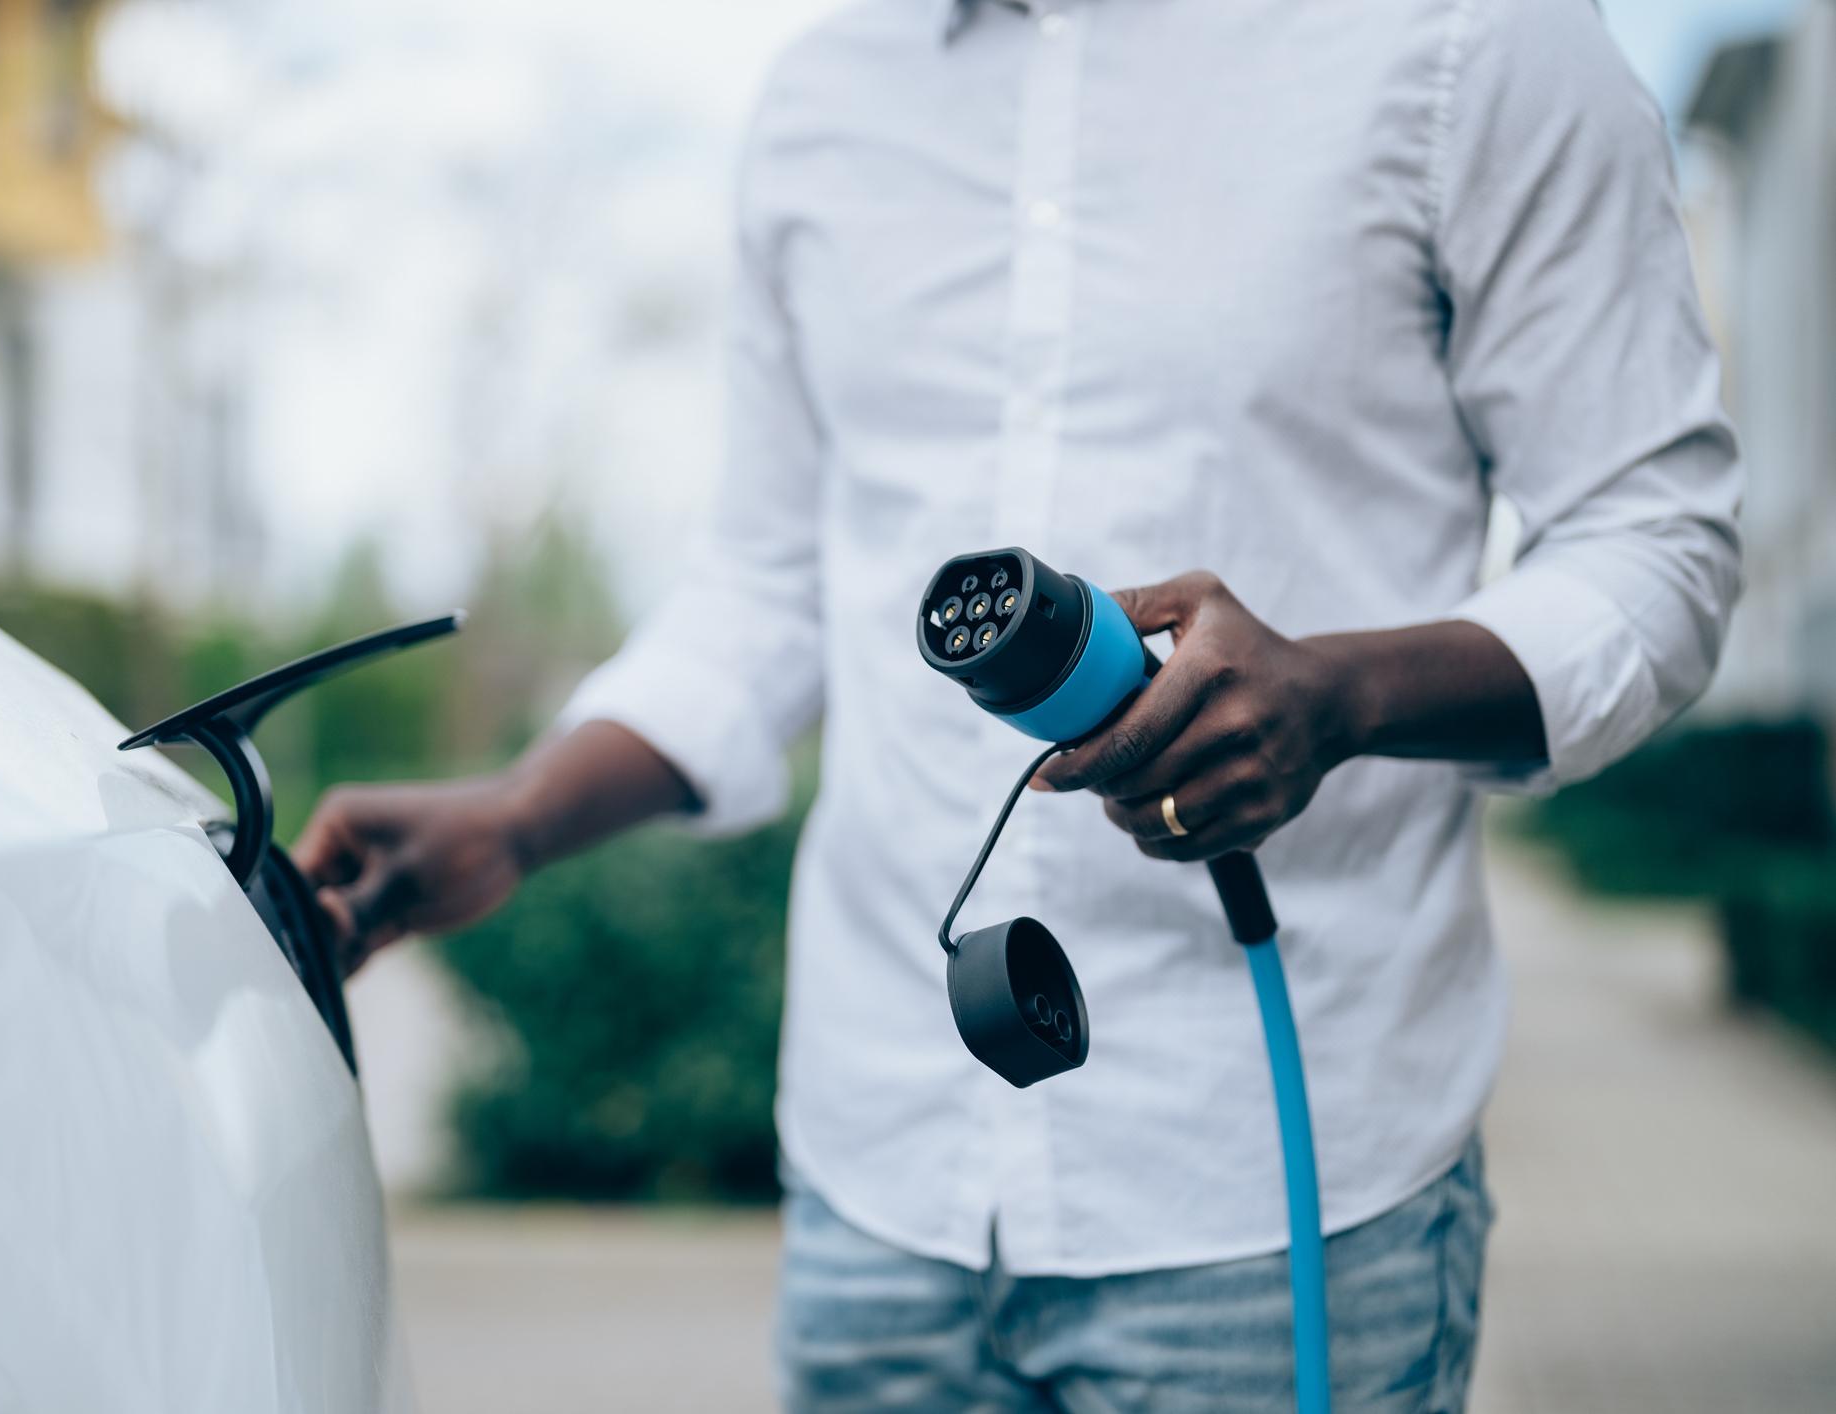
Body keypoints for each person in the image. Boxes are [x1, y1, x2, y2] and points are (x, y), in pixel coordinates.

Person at [295, 0, 1741, 1407]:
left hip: (1271, 1193)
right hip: (879, 1179)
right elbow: (767, 583)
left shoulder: (1472, 40)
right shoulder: (822, 97)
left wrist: (1340, 695)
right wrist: (520, 814)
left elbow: (1652, 548)